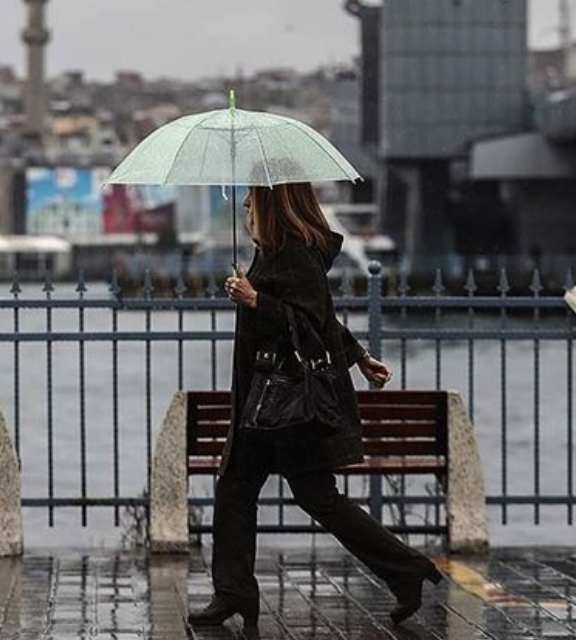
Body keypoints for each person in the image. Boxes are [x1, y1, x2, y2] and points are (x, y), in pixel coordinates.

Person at [189, 182, 442, 629]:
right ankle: (233, 592)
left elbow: (306, 322)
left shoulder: (295, 253)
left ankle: (406, 569)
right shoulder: (274, 251)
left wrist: (255, 300)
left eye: (253, 195)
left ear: (274, 201)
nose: (246, 202)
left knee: (315, 499)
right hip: (265, 403)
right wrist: (360, 357)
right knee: (235, 489)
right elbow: (322, 316)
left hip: (286, 403)